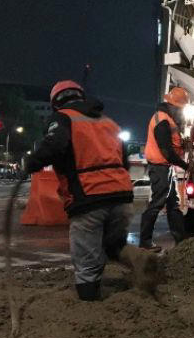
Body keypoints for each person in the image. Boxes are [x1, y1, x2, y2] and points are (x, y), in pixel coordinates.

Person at [24, 81, 157, 301]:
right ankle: (139, 258)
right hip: (121, 195)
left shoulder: (62, 118)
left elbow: (55, 146)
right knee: (113, 245)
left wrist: (32, 162)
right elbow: (123, 161)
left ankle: (89, 297)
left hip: (88, 197)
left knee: (86, 257)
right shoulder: (109, 122)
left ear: (56, 103)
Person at [139, 86, 190, 252]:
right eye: (181, 109)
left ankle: (181, 241)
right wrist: (185, 166)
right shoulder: (162, 121)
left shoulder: (166, 118)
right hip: (160, 167)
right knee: (157, 203)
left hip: (165, 167)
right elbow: (166, 151)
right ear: (174, 106)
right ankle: (145, 242)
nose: (181, 113)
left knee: (173, 204)